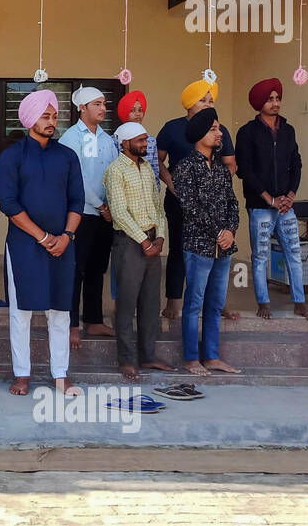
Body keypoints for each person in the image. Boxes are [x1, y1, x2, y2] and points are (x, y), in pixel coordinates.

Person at [0, 89, 84, 397]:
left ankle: (60, 375)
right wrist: (43, 237)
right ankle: (22, 374)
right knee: (21, 312)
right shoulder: (12, 156)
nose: (51, 122)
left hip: (63, 245)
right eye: (45, 117)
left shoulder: (67, 156)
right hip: (24, 245)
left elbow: (77, 200)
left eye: (53, 116)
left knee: (60, 311)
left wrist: (66, 237)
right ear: (30, 119)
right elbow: (9, 204)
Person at [156, 79, 239, 321]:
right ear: (189, 104)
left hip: (213, 206)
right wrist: (173, 184)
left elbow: (230, 164)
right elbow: (158, 160)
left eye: (211, 100)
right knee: (180, 249)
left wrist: (214, 189)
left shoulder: (219, 130)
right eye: (202, 100)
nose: (207, 104)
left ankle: (217, 303)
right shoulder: (172, 128)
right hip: (178, 200)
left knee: (218, 249)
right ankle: (174, 301)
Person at [236, 77, 308, 321]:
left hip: (285, 207)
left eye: (277, 98)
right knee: (260, 255)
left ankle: (299, 302)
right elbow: (244, 170)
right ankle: (264, 302)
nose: (275, 102)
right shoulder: (247, 132)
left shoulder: (288, 130)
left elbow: (296, 164)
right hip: (261, 206)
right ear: (259, 103)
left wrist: (290, 196)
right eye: (269, 99)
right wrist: (269, 199)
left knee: (293, 250)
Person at [172, 108, 243, 376]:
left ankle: (212, 357)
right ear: (200, 134)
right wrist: (218, 232)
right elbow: (191, 207)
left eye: (219, 127)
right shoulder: (186, 167)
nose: (219, 132)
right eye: (213, 128)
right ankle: (192, 358)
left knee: (215, 304)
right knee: (194, 303)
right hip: (199, 246)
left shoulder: (223, 170)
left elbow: (233, 204)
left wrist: (231, 231)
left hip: (224, 247)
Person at [103, 121, 174, 380]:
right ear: (125, 143)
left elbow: (158, 207)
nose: (146, 144)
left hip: (152, 243)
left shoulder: (147, 170)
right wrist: (144, 242)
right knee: (127, 303)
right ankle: (126, 360)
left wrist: (160, 238)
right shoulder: (115, 171)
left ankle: (148, 356)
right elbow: (119, 213)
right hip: (130, 244)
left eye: (146, 139)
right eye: (141, 140)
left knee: (150, 302)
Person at [58, 85, 118, 347]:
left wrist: (111, 207)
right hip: (81, 214)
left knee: (97, 268)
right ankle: (71, 325)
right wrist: (100, 205)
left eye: (104, 103)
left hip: (105, 215)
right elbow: (76, 180)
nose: (103, 108)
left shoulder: (107, 139)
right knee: (76, 270)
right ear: (81, 108)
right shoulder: (71, 139)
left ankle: (93, 321)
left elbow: (113, 176)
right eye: (96, 104)